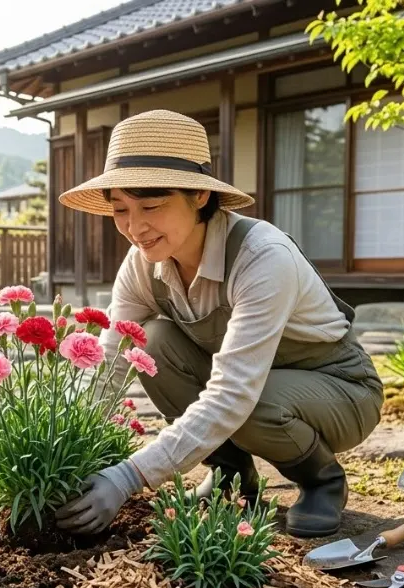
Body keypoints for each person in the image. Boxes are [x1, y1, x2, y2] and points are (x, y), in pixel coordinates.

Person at [53, 109, 383, 539]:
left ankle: (321, 479)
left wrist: (127, 478)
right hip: (256, 385)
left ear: (200, 197)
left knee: (249, 404)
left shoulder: (262, 256)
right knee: (149, 343)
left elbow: (233, 393)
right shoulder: (142, 265)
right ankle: (230, 474)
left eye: (151, 206)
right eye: (120, 210)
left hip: (339, 389)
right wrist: (60, 445)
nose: (135, 227)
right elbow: (110, 360)